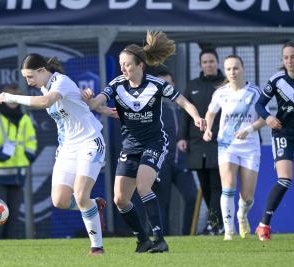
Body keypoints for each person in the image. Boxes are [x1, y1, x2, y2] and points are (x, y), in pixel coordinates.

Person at [83, 31, 206, 253]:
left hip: (154, 143)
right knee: (120, 199)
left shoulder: (157, 84)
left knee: (143, 186)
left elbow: (184, 102)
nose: (123, 69)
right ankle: (142, 239)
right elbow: (95, 104)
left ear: (140, 65)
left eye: (127, 64)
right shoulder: (117, 84)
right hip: (130, 146)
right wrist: (90, 99)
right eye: (121, 64)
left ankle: (159, 238)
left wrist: (197, 117)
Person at [0, 53, 116, 255]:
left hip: (89, 143)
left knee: (80, 195)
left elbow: (45, 103)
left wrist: (11, 97)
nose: (28, 81)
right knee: (59, 200)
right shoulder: (46, 86)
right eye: (25, 78)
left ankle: (97, 247)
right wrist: (101, 108)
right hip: (67, 149)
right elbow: (81, 100)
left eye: (30, 76)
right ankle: (93, 205)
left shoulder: (60, 81)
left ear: (43, 71)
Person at [254, 41, 294, 241]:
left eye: (293, 56)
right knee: (285, 179)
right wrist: (268, 118)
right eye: (286, 57)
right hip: (283, 135)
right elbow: (260, 104)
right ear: (283, 60)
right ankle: (263, 225)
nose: (289, 60)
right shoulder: (276, 80)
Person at [203, 55, 265, 241]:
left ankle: (242, 214)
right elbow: (210, 113)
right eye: (229, 69)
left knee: (247, 196)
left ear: (243, 69)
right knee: (228, 185)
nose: (232, 72)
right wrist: (207, 130)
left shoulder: (255, 92)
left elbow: (265, 118)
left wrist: (249, 129)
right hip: (227, 145)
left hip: (250, 147)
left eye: (236, 68)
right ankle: (229, 231)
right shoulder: (220, 93)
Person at [0, 84, 38, 239]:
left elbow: (31, 143)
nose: (12, 101)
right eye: (8, 97)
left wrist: (27, 157)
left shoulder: (25, 118)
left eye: (15, 97)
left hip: (18, 175)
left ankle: (10, 246)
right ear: (2, 99)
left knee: (13, 215)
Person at [177, 47, 226, 235]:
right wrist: (182, 137)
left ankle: (214, 224)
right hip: (196, 145)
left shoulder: (225, 84)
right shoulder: (192, 85)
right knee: (205, 187)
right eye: (205, 62)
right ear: (200, 64)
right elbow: (185, 116)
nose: (208, 65)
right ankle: (217, 224)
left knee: (216, 186)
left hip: (219, 143)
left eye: (211, 61)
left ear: (217, 62)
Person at [151, 69, 198, 236]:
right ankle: (163, 238)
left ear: (173, 85)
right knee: (162, 203)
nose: (164, 88)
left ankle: (187, 235)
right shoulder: (150, 108)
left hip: (182, 163)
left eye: (167, 84)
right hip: (160, 163)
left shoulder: (183, 106)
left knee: (192, 197)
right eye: (160, 84)